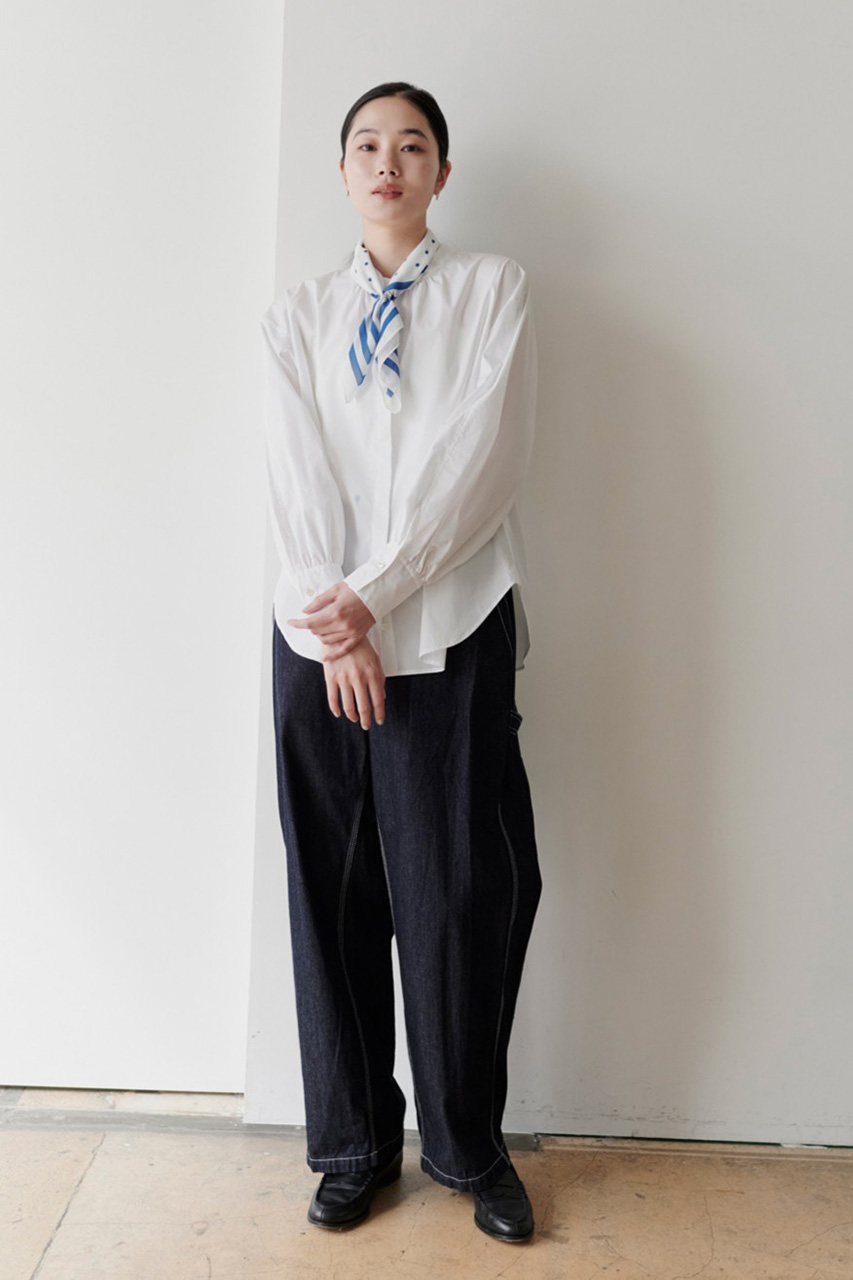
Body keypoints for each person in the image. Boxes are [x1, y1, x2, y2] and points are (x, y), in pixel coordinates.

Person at [261, 80, 543, 1244]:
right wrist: (335, 620)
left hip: (450, 622)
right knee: (332, 895)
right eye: (368, 144)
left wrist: (374, 597)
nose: (389, 161)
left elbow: (481, 462)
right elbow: (294, 475)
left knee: (460, 894)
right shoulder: (297, 315)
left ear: (440, 171)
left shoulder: (491, 290)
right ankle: (352, 1145)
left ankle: (469, 1147)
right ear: (342, 171)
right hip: (315, 634)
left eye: (412, 144)